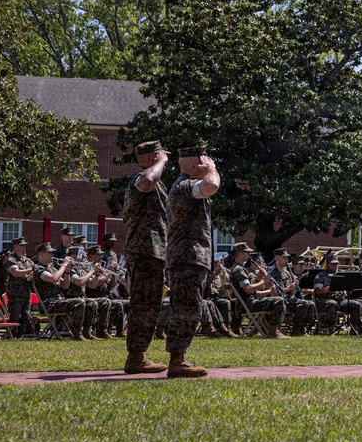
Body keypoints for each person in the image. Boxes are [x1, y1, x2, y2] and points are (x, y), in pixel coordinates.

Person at [165, 146, 221, 376]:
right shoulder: (184, 186)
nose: (207, 164)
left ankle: (179, 359)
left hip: (190, 257)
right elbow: (212, 186)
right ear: (192, 166)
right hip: (187, 257)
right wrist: (213, 170)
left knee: (189, 308)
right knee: (187, 309)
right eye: (203, 162)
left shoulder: (187, 186)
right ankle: (177, 362)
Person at [122, 140, 171, 374]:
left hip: (152, 251)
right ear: (152, 157)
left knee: (150, 304)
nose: (166, 159)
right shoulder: (142, 179)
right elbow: (147, 181)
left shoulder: (155, 182)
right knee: (144, 304)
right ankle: (135, 357)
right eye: (161, 155)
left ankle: (139, 355)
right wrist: (160, 163)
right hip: (145, 251)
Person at [229, 243, 288, 338]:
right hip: (247, 304)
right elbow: (248, 290)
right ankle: (273, 332)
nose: (249, 254)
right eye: (247, 252)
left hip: (248, 302)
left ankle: (272, 330)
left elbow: (249, 287)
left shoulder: (239, 268)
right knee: (278, 301)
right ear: (240, 253)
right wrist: (264, 281)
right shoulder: (238, 270)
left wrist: (258, 279)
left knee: (278, 299)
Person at [31, 242, 87, 340]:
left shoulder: (52, 269)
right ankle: (77, 334)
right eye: (49, 253)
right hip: (49, 303)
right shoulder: (38, 268)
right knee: (79, 302)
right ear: (41, 254)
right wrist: (64, 265)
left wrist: (67, 272)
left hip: (58, 301)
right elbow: (53, 279)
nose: (52, 255)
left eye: (53, 253)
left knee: (89, 302)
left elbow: (65, 286)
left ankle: (87, 331)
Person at [269, 248, 317, 336]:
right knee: (303, 304)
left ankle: (301, 328)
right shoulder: (272, 274)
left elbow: (291, 294)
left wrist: (294, 286)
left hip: (288, 299)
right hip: (278, 301)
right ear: (277, 259)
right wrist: (288, 288)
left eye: (287, 258)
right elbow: (273, 294)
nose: (286, 260)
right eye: (284, 258)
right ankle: (296, 329)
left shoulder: (286, 273)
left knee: (310, 304)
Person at [3, 237, 35, 337]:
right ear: (15, 246)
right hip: (15, 293)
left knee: (25, 315)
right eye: (21, 245)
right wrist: (30, 270)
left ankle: (21, 335)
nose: (24, 247)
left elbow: (35, 271)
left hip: (26, 292)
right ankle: (11, 335)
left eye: (24, 245)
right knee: (15, 315)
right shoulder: (11, 260)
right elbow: (16, 273)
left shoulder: (27, 261)